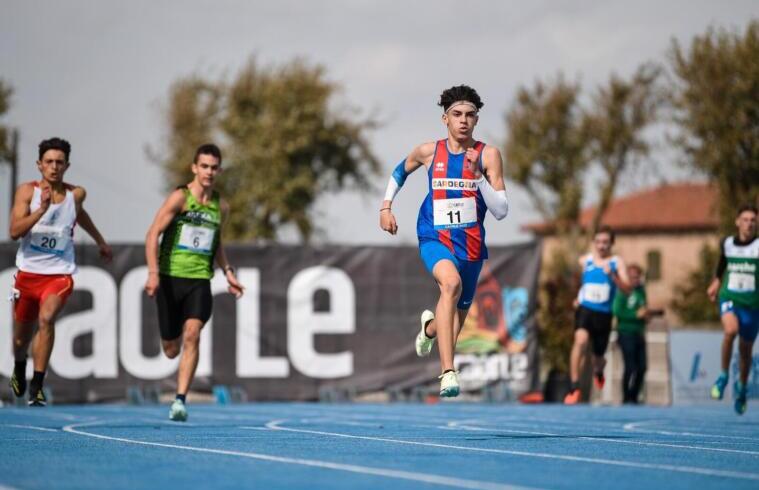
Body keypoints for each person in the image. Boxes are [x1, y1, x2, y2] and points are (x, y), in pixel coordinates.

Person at [379, 85, 509, 397]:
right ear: (445, 119)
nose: (463, 120)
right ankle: (448, 373)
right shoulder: (428, 151)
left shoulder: (488, 155)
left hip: (472, 246)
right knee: (450, 285)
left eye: (470, 115)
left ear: (476, 120)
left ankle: (429, 329)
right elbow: (399, 171)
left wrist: (478, 176)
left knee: (451, 320)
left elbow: (502, 211)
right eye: (457, 114)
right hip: (433, 235)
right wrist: (386, 206)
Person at [9, 137, 112, 406]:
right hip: (27, 275)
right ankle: (20, 365)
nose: (54, 167)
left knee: (47, 318)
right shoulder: (26, 192)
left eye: (59, 162)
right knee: (20, 341)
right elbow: (14, 232)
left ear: (67, 166)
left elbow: (80, 214)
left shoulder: (76, 194)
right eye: (49, 162)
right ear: (39, 165)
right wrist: (41, 210)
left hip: (59, 274)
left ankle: (38, 385)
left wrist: (100, 240)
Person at [144, 143, 243, 422]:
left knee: (193, 334)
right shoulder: (180, 198)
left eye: (214, 167)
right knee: (171, 348)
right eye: (204, 166)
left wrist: (228, 272)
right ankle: (170, 342)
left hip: (199, 280)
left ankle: (179, 401)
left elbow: (217, 243)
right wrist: (153, 273)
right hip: (170, 278)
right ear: (194, 168)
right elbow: (152, 234)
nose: (209, 172)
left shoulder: (220, 206)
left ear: (219, 170)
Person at [564, 226, 631, 404]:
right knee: (580, 341)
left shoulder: (617, 263)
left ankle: (598, 372)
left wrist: (614, 276)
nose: (602, 246)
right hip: (585, 310)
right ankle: (574, 386)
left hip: (604, 315)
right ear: (594, 243)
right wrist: (578, 296)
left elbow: (627, 290)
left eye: (605, 242)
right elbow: (579, 281)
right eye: (599, 242)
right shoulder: (585, 261)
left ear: (611, 244)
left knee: (598, 357)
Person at [707, 204, 758, 415]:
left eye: (753, 220)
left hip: (752, 305)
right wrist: (716, 282)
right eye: (745, 219)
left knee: (745, 352)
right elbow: (722, 264)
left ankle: (742, 387)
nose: (749, 223)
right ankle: (723, 376)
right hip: (730, 298)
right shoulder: (727, 244)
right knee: (730, 331)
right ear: (737, 222)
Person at [613, 264, 649, 404]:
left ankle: (634, 396)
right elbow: (617, 311)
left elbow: (643, 309)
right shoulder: (622, 292)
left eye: (637, 277)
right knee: (630, 366)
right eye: (632, 276)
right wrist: (635, 315)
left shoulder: (641, 291)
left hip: (639, 333)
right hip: (625, 332)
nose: (635, 279)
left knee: (642, 367)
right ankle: (626, 396)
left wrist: (647, 315)